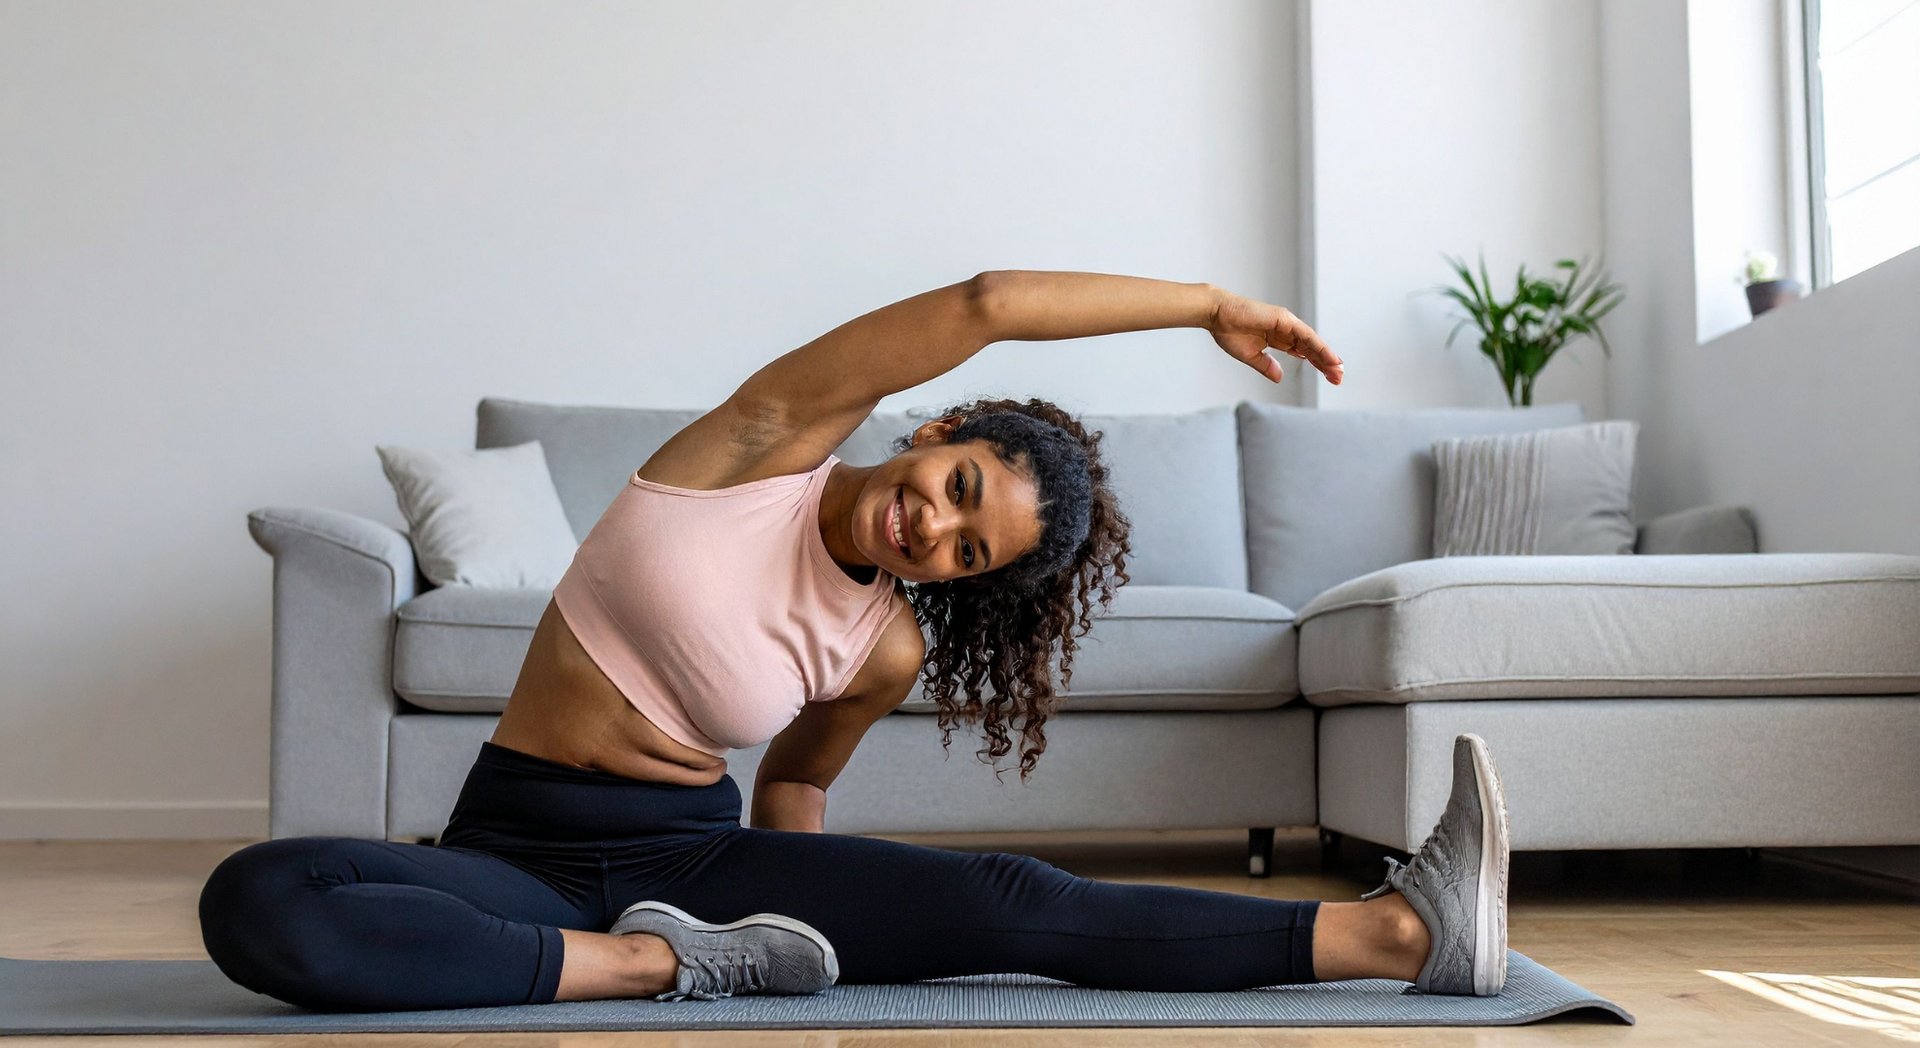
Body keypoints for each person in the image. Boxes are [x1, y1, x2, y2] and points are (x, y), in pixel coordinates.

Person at [197, 270, 1510, 1012]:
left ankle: (1399, 935)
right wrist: (1200, 306)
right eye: (958, 489)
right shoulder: (757, 446)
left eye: (969, 551)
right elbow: (987, 299)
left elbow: (796, 786)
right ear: (939, 435)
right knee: (259, 904)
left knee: (1016, 903)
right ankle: (658, 969)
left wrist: (802, 892)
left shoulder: (880, 647)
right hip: (522, 856)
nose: (935, 532)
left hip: (697, 854)